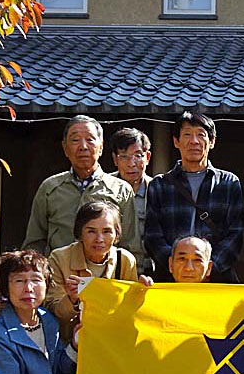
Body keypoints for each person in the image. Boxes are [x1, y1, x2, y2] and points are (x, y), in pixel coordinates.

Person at [24, 115, 143, 267]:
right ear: (65, 148)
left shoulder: (120, 190)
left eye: (90, 139)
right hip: (59, 275)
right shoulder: (49, 188)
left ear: (101, 146)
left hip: (105, 276)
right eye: (75, 140)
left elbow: (131, 245)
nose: (83, 146)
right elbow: (35, 242)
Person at [145, 112, 244, 283]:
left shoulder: (228, 182)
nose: (194, 141)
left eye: (201, 135)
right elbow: (153, 236)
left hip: (216, 278)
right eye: (187, 135)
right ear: (176, 141)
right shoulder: (160, 185)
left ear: (211, 142)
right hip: (170, 279)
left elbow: (235, 234)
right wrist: (178, 267)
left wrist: (209, 268)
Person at [47, 201, 151, 340]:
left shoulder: (125, 260)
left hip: (111, 340)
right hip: (69, 342)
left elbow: (129, 311)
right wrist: (72, 299)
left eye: (107, 231)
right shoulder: (59, 258)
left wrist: (141, 291)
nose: (99, 239)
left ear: (117, 235)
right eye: (91, 231)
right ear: (80, 233)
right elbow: (53, 311)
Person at [108, 127, 153, 275]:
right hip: (114, 271)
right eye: (124, 157)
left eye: (138, 156)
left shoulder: (158, 189)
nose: (131, 163)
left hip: (151, 271)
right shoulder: (103, 188)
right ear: (115, 159)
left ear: (147, 157)